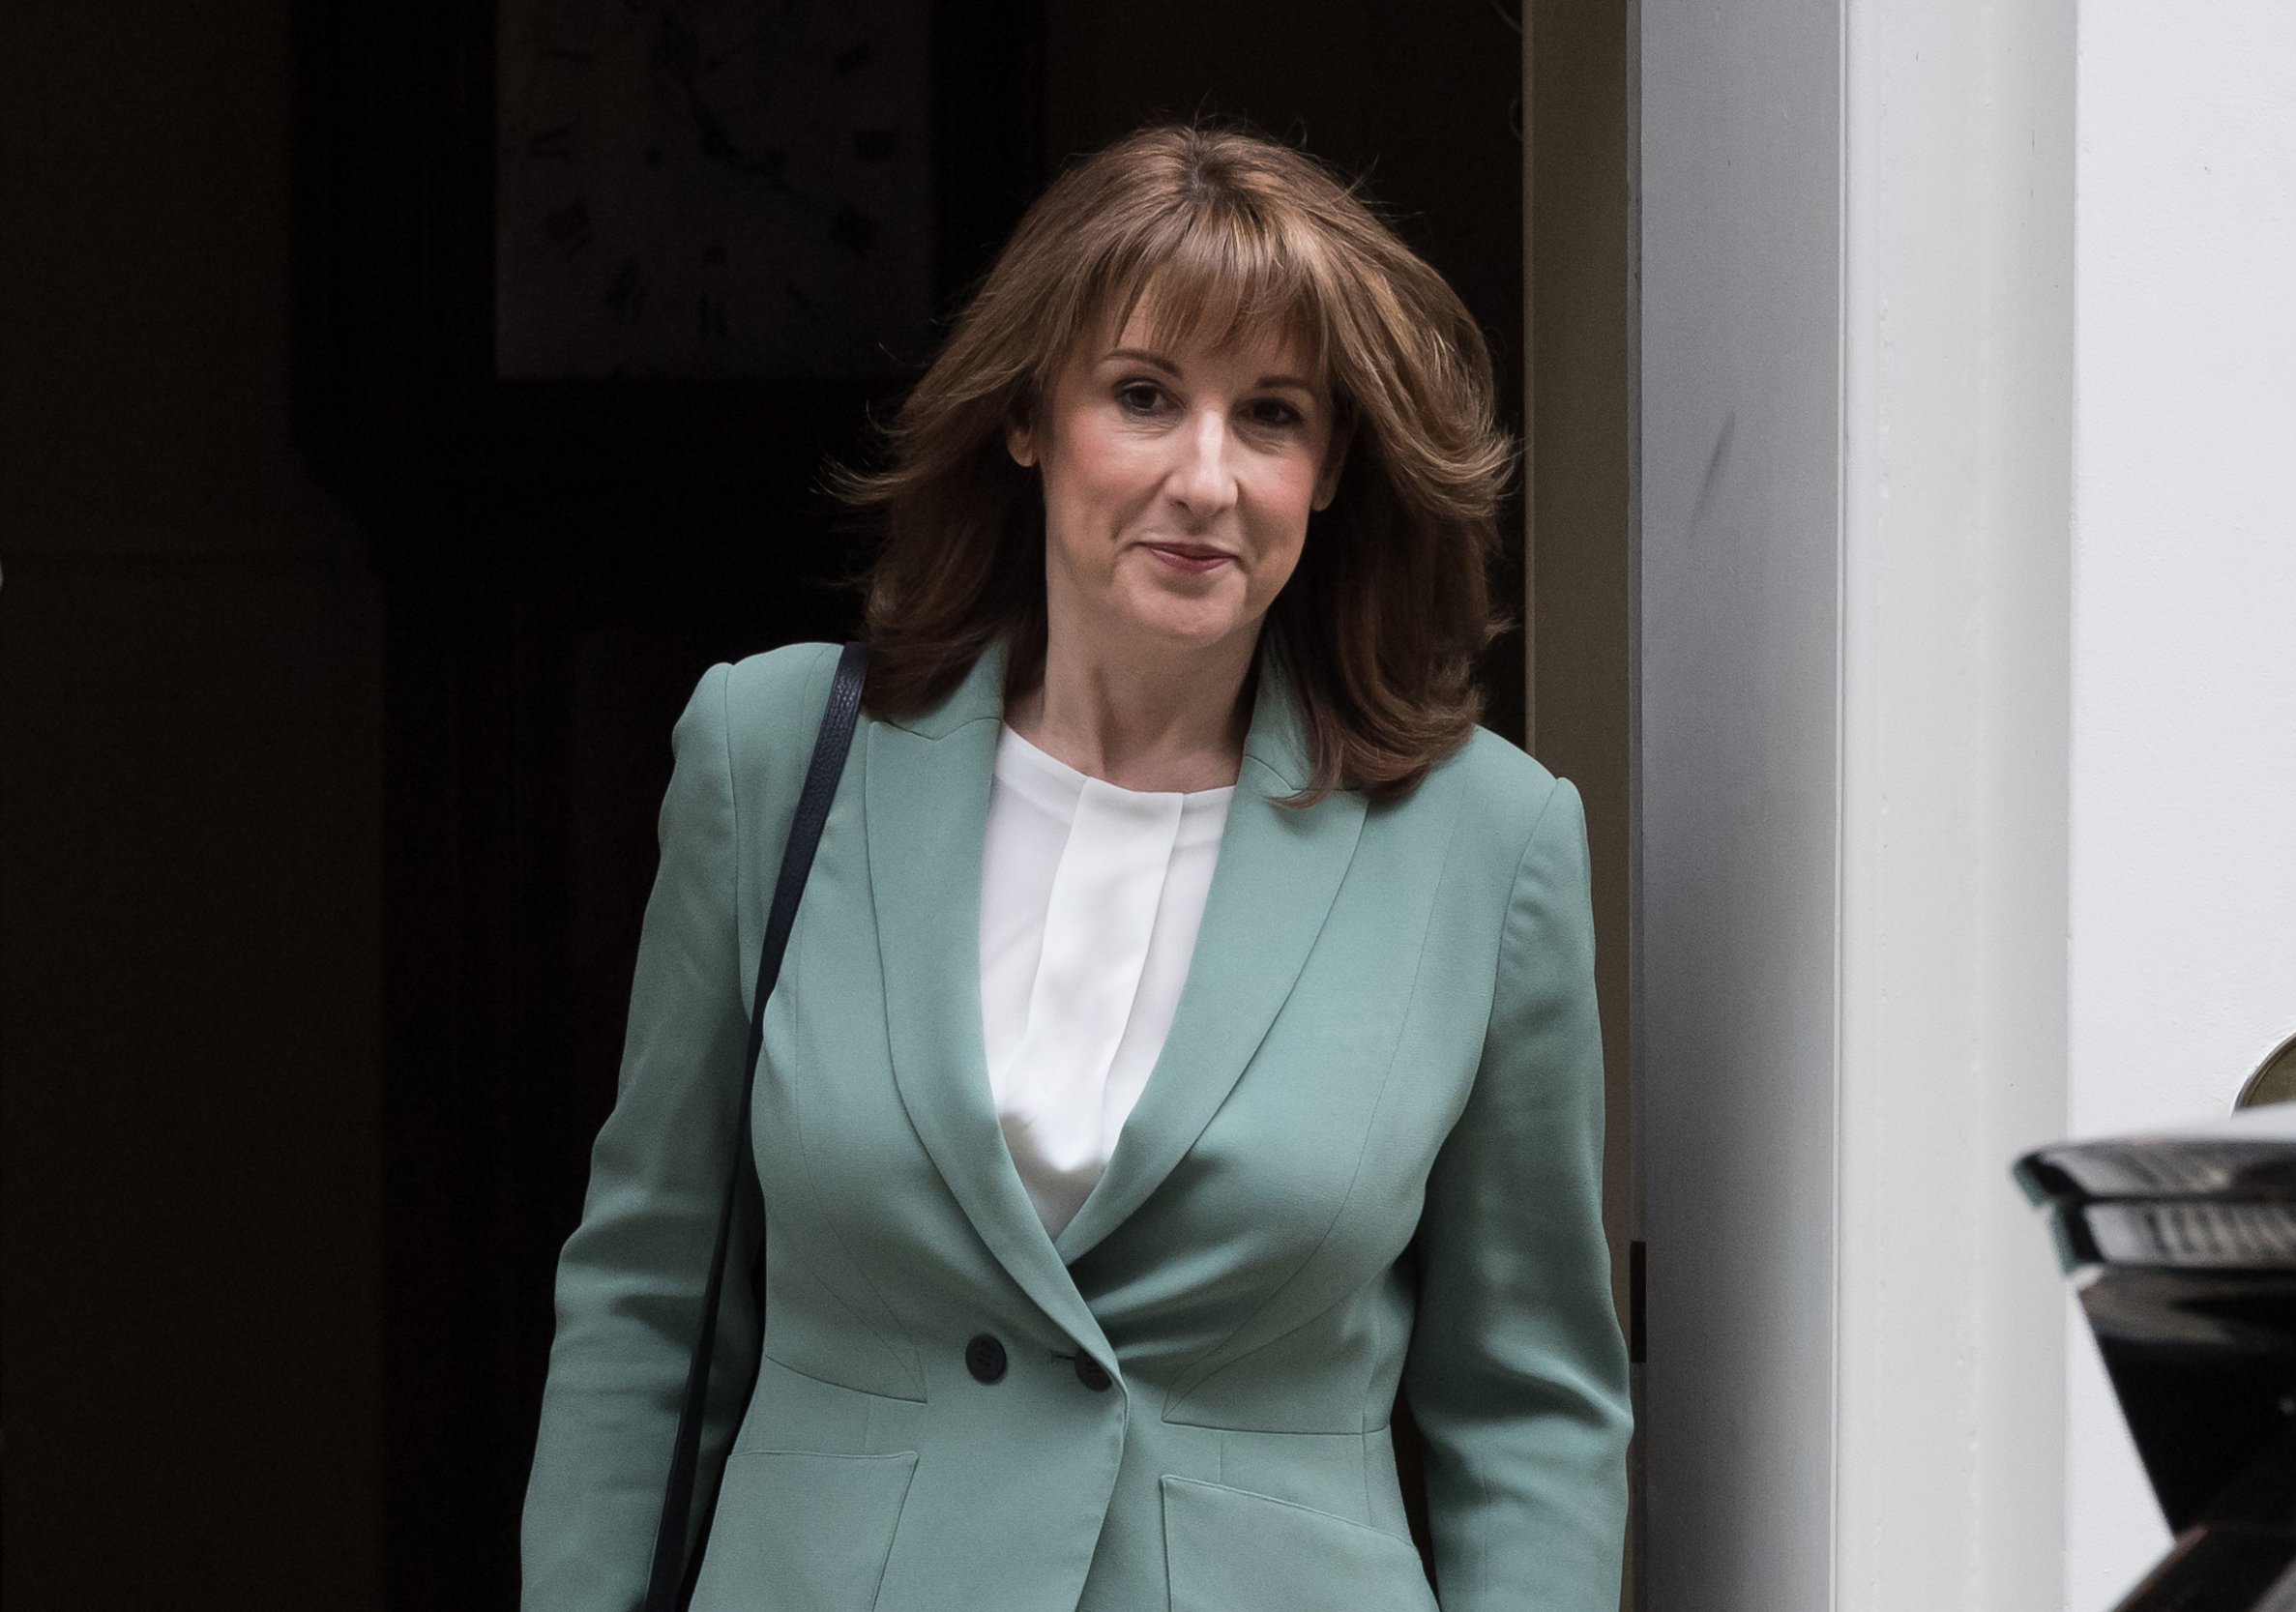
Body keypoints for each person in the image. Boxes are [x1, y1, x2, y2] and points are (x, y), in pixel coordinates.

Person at [519, 121, 1631, 1612]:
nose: (1206, 478)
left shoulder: (1486, 840)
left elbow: (1530, 1408)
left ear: (1332, 469)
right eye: (1144, 396)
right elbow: (650, 1303)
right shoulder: (770, 755)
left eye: (1273, 416)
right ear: (1029, 416)